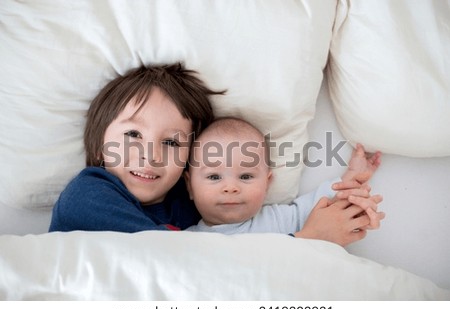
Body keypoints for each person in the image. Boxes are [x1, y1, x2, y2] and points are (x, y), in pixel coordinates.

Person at [49, 62, 224, 232]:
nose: (150, 155)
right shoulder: (85, 195)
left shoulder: (190, 203)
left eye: (171, 142)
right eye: (133, 134)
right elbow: (163, 250)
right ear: (100, 145)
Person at [185, 117, 385, 246]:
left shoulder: (278, 220)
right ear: (190, 186)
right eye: (214, 177)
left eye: (246, 176)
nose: (230, 188)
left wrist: (352, 176)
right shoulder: (184, 240)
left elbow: (323, 202)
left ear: (266, 183)